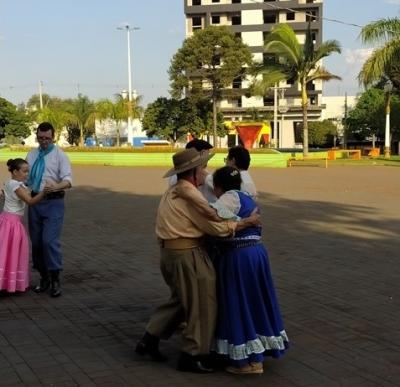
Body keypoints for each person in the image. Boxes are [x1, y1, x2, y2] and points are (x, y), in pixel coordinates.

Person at [135, 148, 261, 374]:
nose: (206, 173)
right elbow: (213, 223)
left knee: (181, 300)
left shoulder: (175, 190)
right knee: (203, 302)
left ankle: (150, 339)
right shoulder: (189, 194)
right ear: (193, 172)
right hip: (188, 253)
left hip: (171, 252)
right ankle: (192, 354)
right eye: (202, 168)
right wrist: (244, 223)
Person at [210, 166, 289, 374]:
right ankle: (257, 354)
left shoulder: (228, 198)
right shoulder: (247, 197)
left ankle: (249, 362)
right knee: (255, 301)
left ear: (218, 187)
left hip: (239, 256)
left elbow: (211, 220)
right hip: (255, 254)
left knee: (239, 302)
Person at [26, 122, 72, 298]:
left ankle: (55, 278)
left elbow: (68, 180)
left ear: (54, 137)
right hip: (35, 201)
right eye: (40, 137)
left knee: (48, 241)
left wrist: (56, 186)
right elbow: (26, 179)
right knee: (36, 243)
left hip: (53, 202)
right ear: (36, 136)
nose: (44, 141)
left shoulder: (60, 155)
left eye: (47, 138)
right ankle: (44, 277)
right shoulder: (31, 154)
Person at [0, 159, 45, 293]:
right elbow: (30, 201)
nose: (27, 174)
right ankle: (7, 283)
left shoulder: (10, 183)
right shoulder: (17, 186)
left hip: (6, 220)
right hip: (12, 224)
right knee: (10, 251)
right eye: (24, 171)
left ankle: (4, 281)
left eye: (27, 171)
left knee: (5, 251)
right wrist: (44, 192)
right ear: (15, 171)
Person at [168, 138, 216, 202]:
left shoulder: (173, 177)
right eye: (208, 153)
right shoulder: (206, 177)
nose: (208, 158)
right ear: (202, 153)